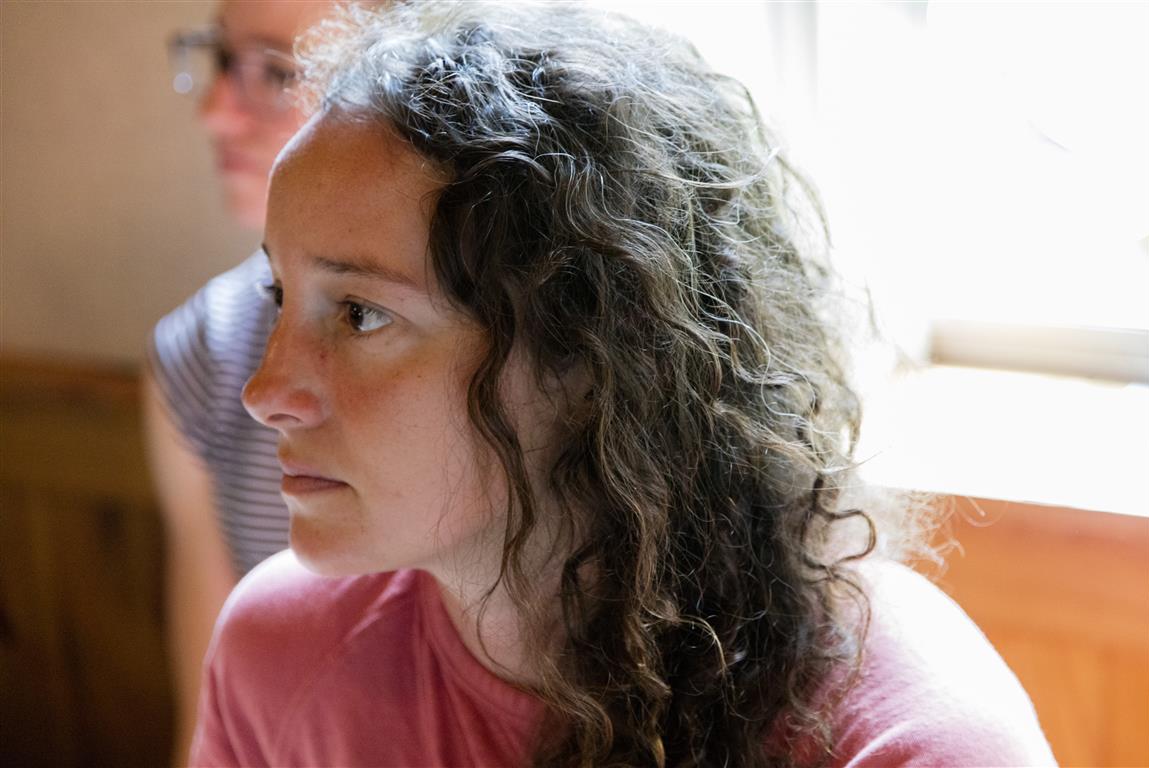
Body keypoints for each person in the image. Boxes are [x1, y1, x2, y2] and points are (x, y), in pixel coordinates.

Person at [189, 2, 1056, 766]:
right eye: (279, 295)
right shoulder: (278, 652)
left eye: (360, 314)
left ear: (591, 353)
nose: (267, 390)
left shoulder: (909, 743)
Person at [142, 1, 336, 762]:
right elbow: (208, 723)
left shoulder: (517, 341)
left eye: (277, 73)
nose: (215, 112)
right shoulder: (201, 350)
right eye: (221, 59)